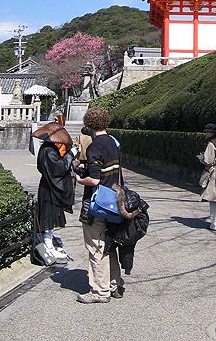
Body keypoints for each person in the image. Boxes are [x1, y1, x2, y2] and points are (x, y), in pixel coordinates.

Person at [75, 107, 125, 304]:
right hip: (114, 199)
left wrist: (80, 178)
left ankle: (99, 291)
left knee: (96, 245)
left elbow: (94, 180)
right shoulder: (114, 142)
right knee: (109, 244)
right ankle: (114, 283)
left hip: (98, 202)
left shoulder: (94, 146)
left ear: (89, 125)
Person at [34, 115, 77, 260]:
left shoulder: (47, 149)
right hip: (49, 189)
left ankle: (49, 242)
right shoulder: (48, 151)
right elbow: (59, 168)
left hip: (47, 186)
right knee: (48, 217)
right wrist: (70, 155)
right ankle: (48, 245)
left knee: (50, 217)